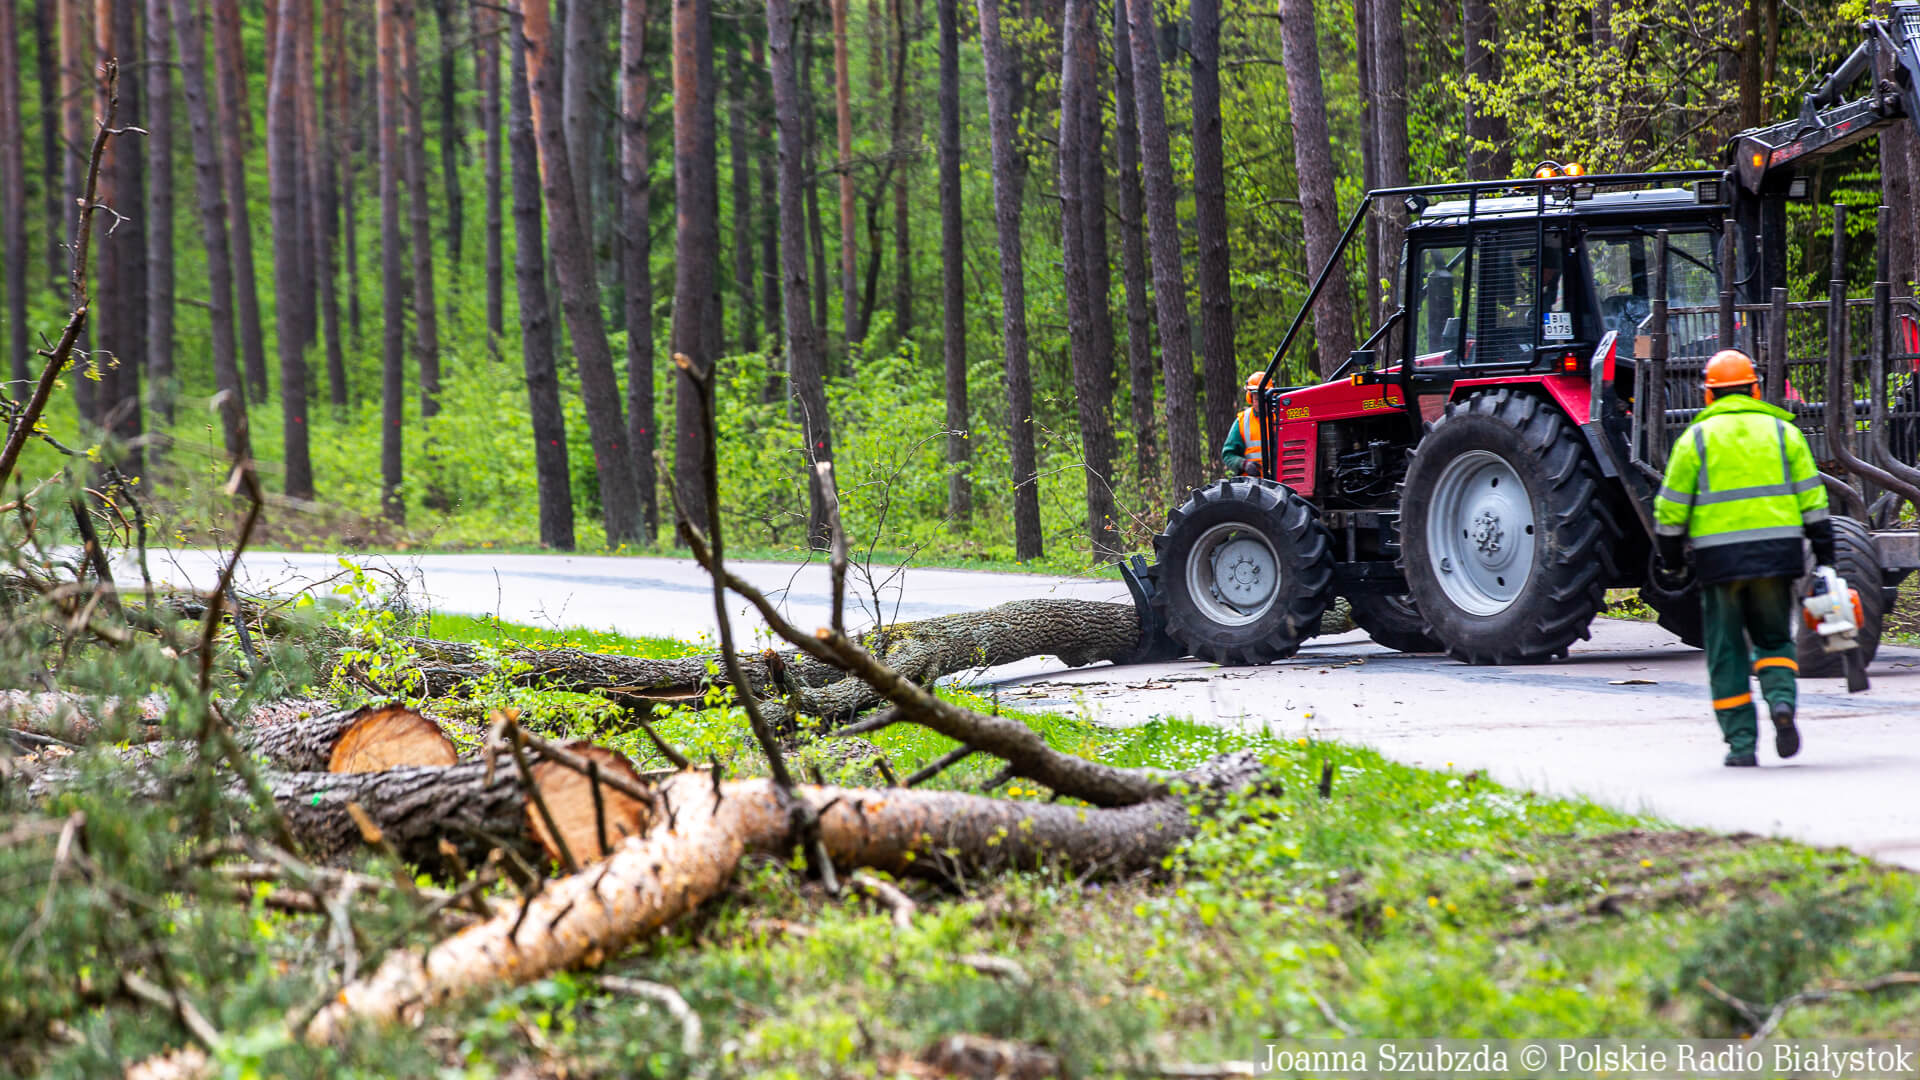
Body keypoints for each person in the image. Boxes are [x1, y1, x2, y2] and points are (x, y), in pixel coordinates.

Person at [1654, 349, 1834, 767]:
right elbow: (1814, 502)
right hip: (1778, 559)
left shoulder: (1696, 439)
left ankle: (1741, 745)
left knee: (1727, 652)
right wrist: (1825, 556)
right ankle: (1782, 701)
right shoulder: (1784, 433)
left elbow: (1669, 512)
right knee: (1774, 639)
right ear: (1755, 389)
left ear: (1708, 395)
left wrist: (1672, 562)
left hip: (1720, 566)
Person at [1221, 373, 1268, 477]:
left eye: (1264, 398)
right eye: (1257, 399)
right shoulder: (1243, 421)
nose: (1261, 403)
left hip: (1279, 481)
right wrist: (1244, 464)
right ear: (1250, 398)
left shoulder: (1280, 417)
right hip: (1252, 482)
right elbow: (1228, 454)